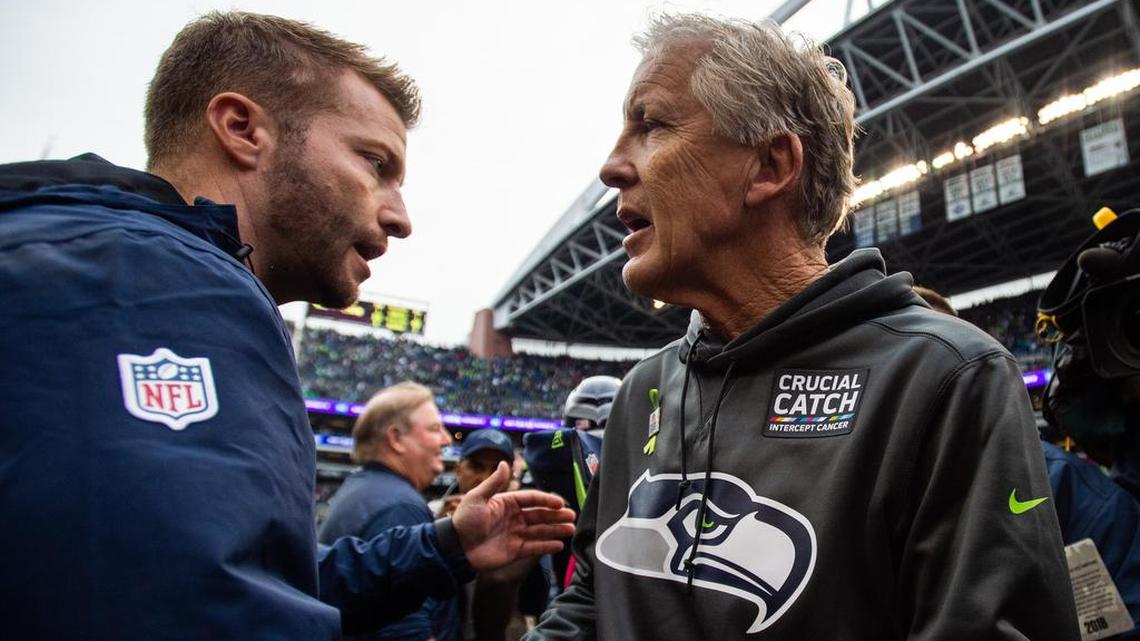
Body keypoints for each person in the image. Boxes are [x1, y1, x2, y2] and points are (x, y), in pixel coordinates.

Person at [0, 11, 574, 641]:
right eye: (375, 163)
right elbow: (191, 614)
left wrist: (442, 546)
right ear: (243, 129)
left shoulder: (113, 264)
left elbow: (248, 581)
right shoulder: (163, 279)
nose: (401, 216)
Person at [525, 13, 1077, 640]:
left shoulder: (945, 377)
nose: (611, 167)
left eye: (651, 125)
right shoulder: (639, 395)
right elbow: (592, 605)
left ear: (769, 165)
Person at [318, 382, 461, 641]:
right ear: (396, 438)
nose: (446, 439)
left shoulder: (361, 489)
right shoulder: (400, 508)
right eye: (434, 429)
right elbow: (406, 633)